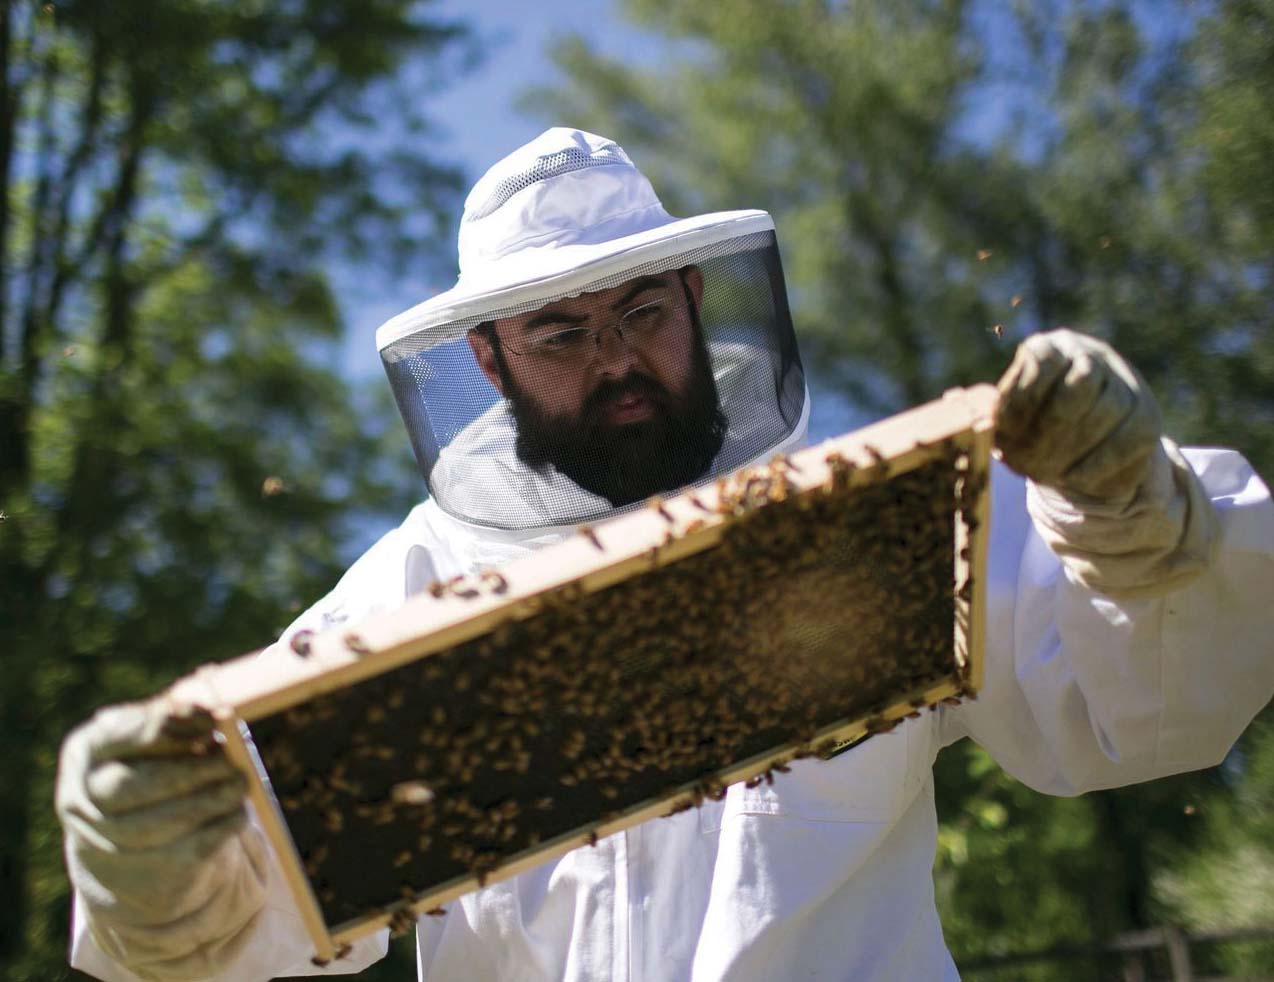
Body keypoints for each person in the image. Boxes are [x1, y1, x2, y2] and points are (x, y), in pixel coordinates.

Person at [57, 128, 1274, 982]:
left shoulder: (859, 519)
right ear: (487, 360)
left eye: (641, 311)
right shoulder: (415, 587)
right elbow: (242, 894)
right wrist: (154, 873)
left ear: (695, 298)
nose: (615, 359)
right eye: (559, 332)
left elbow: (1140, 708)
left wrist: (1134, 523)